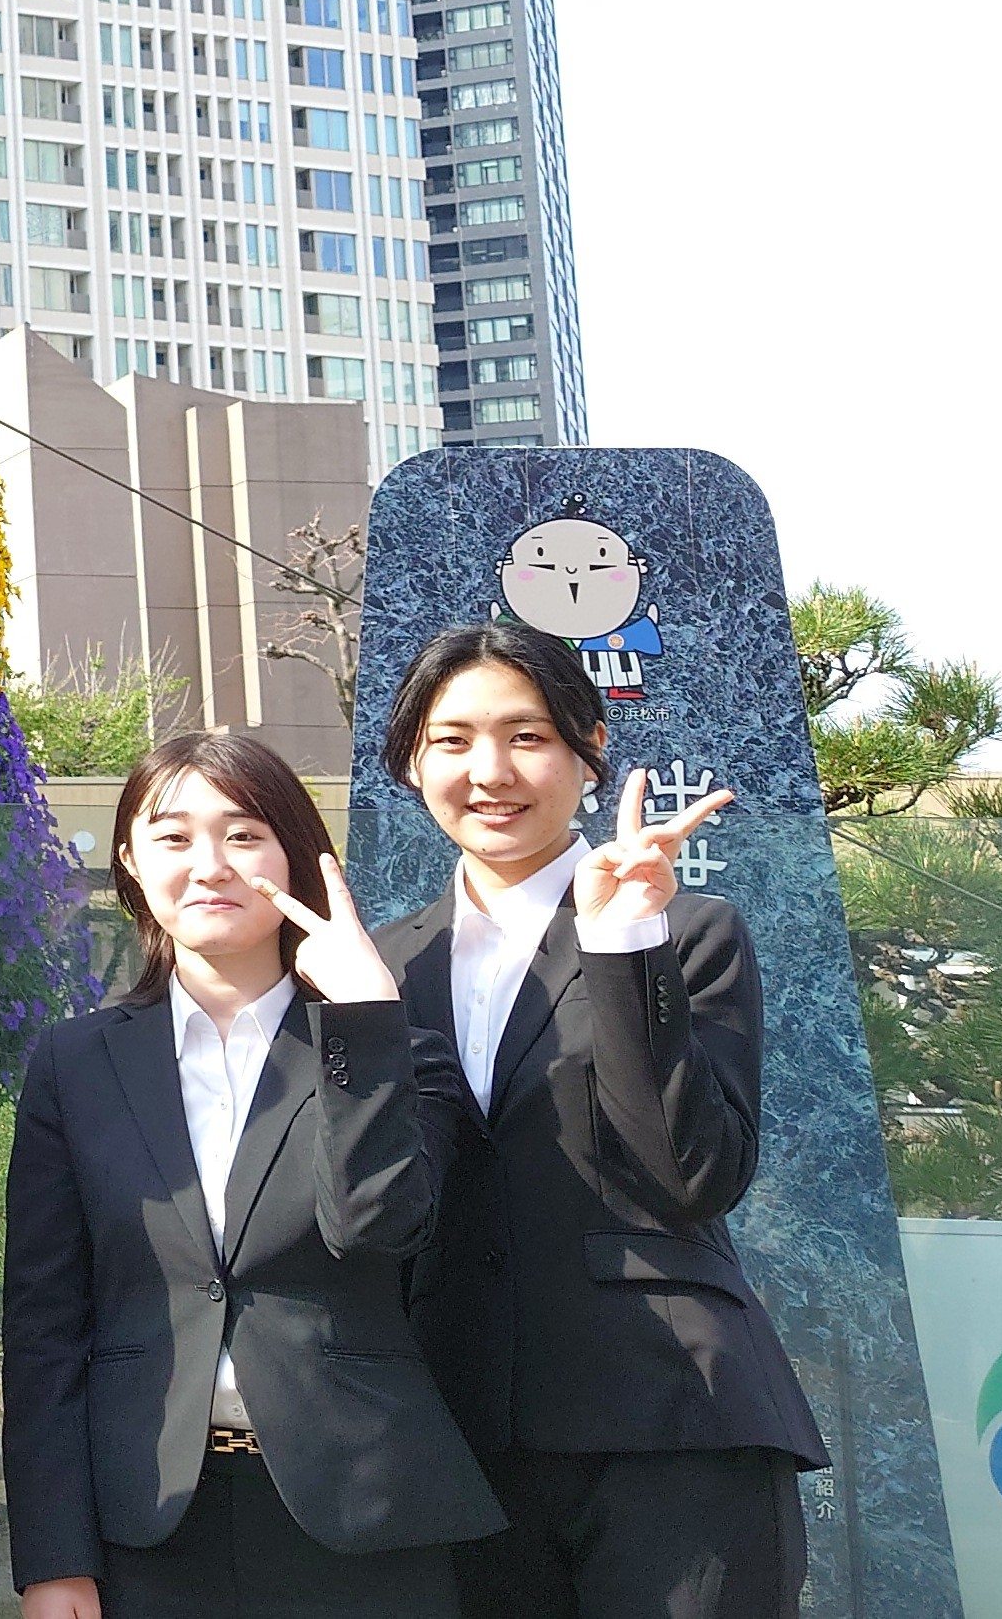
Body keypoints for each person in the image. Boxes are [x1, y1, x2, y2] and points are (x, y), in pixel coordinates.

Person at [367, 623, 826, 1619]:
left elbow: (692, 1174)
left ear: (590, 751)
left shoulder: (687, 932)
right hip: (462, 1447)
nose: (490, 772)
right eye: (452, 741)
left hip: (671, 1424)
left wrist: (623, 944)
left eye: (527, 736)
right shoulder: (378, 967)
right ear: (409, 763)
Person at [2, 731, 502, 1619]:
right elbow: (44, 1326)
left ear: (297, 857)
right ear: (130, 862)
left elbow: (377, 1228)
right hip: (148, 1518)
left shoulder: (396, 1049)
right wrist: (53, 1558)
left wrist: (362, 1023)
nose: (211, 865)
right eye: (173, 837)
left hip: (362, 1513)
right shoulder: (75, 1065)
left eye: (243, 834)